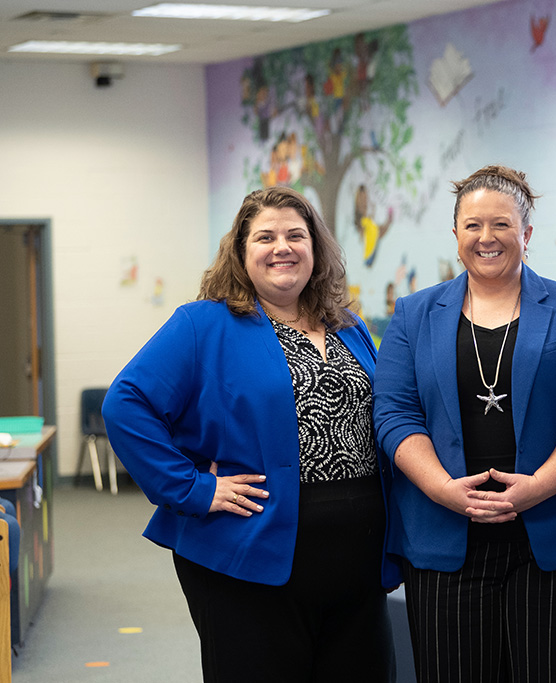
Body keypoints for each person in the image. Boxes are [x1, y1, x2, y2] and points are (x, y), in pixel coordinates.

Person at [102, 186, 400, 683]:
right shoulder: (204, 324)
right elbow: (126, 405)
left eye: (295, 235)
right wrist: (193, 487)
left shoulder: (349, 326)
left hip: (357, 560)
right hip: (249, 557)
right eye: (265, 236)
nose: (282, 246)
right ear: (241, 253)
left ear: (316, 249)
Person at [374, 165, 556, 682]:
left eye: (502, 225)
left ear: (526, 234)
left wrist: (538, 487)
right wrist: (443, 489)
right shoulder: (414, 315)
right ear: (456, 234)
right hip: (445, 536)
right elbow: (395, 413)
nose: (486, 238)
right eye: (472, 226)